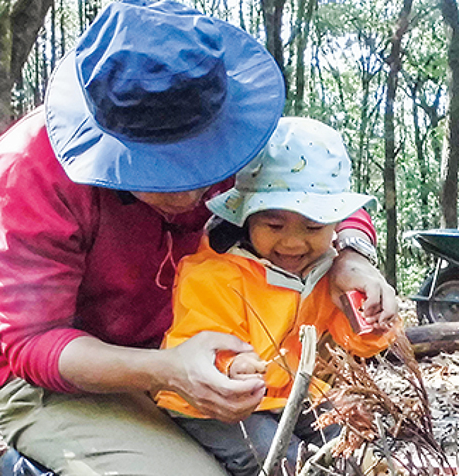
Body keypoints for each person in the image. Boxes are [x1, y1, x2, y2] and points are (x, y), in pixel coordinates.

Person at [0, 1, 397, 475]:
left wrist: (352, 253)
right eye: (160, 172)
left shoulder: (233, 125)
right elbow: (33, 346)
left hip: (181, 352)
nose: (191, 191)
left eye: (203, 159)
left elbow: (316, 190)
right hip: (63, 380)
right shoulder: (31, 170)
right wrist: (169, 370)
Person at [155, 117, 398, 476]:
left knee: (355, 443)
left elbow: (354, 341)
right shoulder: (215, 273)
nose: (293, 242)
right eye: (274, 225)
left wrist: (374, 324)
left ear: (336, 225)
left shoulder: (326, 270)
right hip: (214, 402)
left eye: (313, 227)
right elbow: (198, 340)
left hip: (290, 396)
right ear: (245, 216)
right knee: (282, 459)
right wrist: (230, 365)